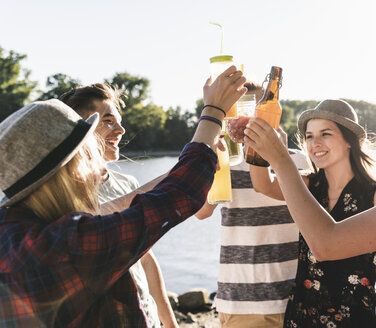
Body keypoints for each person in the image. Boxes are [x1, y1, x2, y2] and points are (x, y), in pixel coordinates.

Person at [0, 66, 247, 327]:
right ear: (63, 173)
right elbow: (179, 194)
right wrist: (213, 112)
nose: (94, 166)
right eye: (85, 156)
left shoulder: (13, 229)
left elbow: (117, 208)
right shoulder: (71, 244)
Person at [246, 99, 376, 327]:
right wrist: (256, 142)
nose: (315, 143)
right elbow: (262, 185)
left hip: (353, 319)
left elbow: (326, 246)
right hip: (303, 313)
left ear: (349, 141)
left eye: (325, 134)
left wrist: (280, 158)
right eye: (309, 136)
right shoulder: (307, 185)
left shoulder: (372, 194)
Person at [59, 83, 175, 327]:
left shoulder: (128, 183)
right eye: (108, 121)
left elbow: (146, 258)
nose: (121, 130)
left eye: (119, 121)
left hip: (146, 319)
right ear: (80, 127)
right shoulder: (62, 191)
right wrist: (181, 173)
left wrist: (168, 321)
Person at [195, 82, 310, 328]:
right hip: (241, 301)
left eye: (257, 114)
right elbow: (201, 213)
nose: (248, 122)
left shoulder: (297, 160)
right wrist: (211, 163)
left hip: (296, 295)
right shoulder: (224, 163)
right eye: (239, 113)